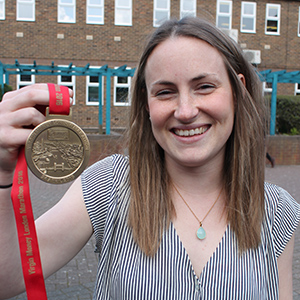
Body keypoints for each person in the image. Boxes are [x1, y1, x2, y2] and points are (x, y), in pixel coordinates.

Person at [0, 17, 299, 300]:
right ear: (146, 103)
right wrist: (1, 174)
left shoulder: (277, 210)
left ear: (238, 90)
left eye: (204, 86)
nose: (185, 111)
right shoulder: (110, 185)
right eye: (165, 92)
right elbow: (9, 276)